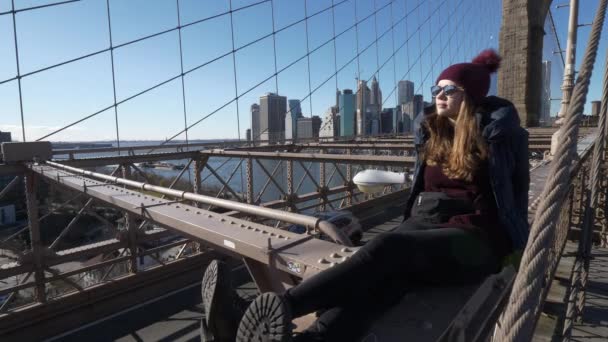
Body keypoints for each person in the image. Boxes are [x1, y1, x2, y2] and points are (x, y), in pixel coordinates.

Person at [234, 49, 530, 342]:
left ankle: (279, 307)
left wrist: (518, 246)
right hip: (427, 223)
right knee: (383, 284)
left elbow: (517, 191)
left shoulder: (499, 136)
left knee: (388, 245)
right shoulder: (430, 133)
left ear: (472, 95)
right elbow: (423, 191)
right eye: (437, 89)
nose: (440, 94)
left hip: (474, 236)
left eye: (450, 89)